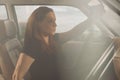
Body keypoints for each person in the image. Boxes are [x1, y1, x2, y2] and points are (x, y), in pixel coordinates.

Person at [12, 6, 100, 80]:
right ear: (38, 23)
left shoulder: (53, 39)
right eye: (50, 21)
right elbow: (17, 77)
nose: (55, 25)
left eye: (55, 21)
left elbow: (73, 33)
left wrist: (92, 19)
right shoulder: (32, 47)